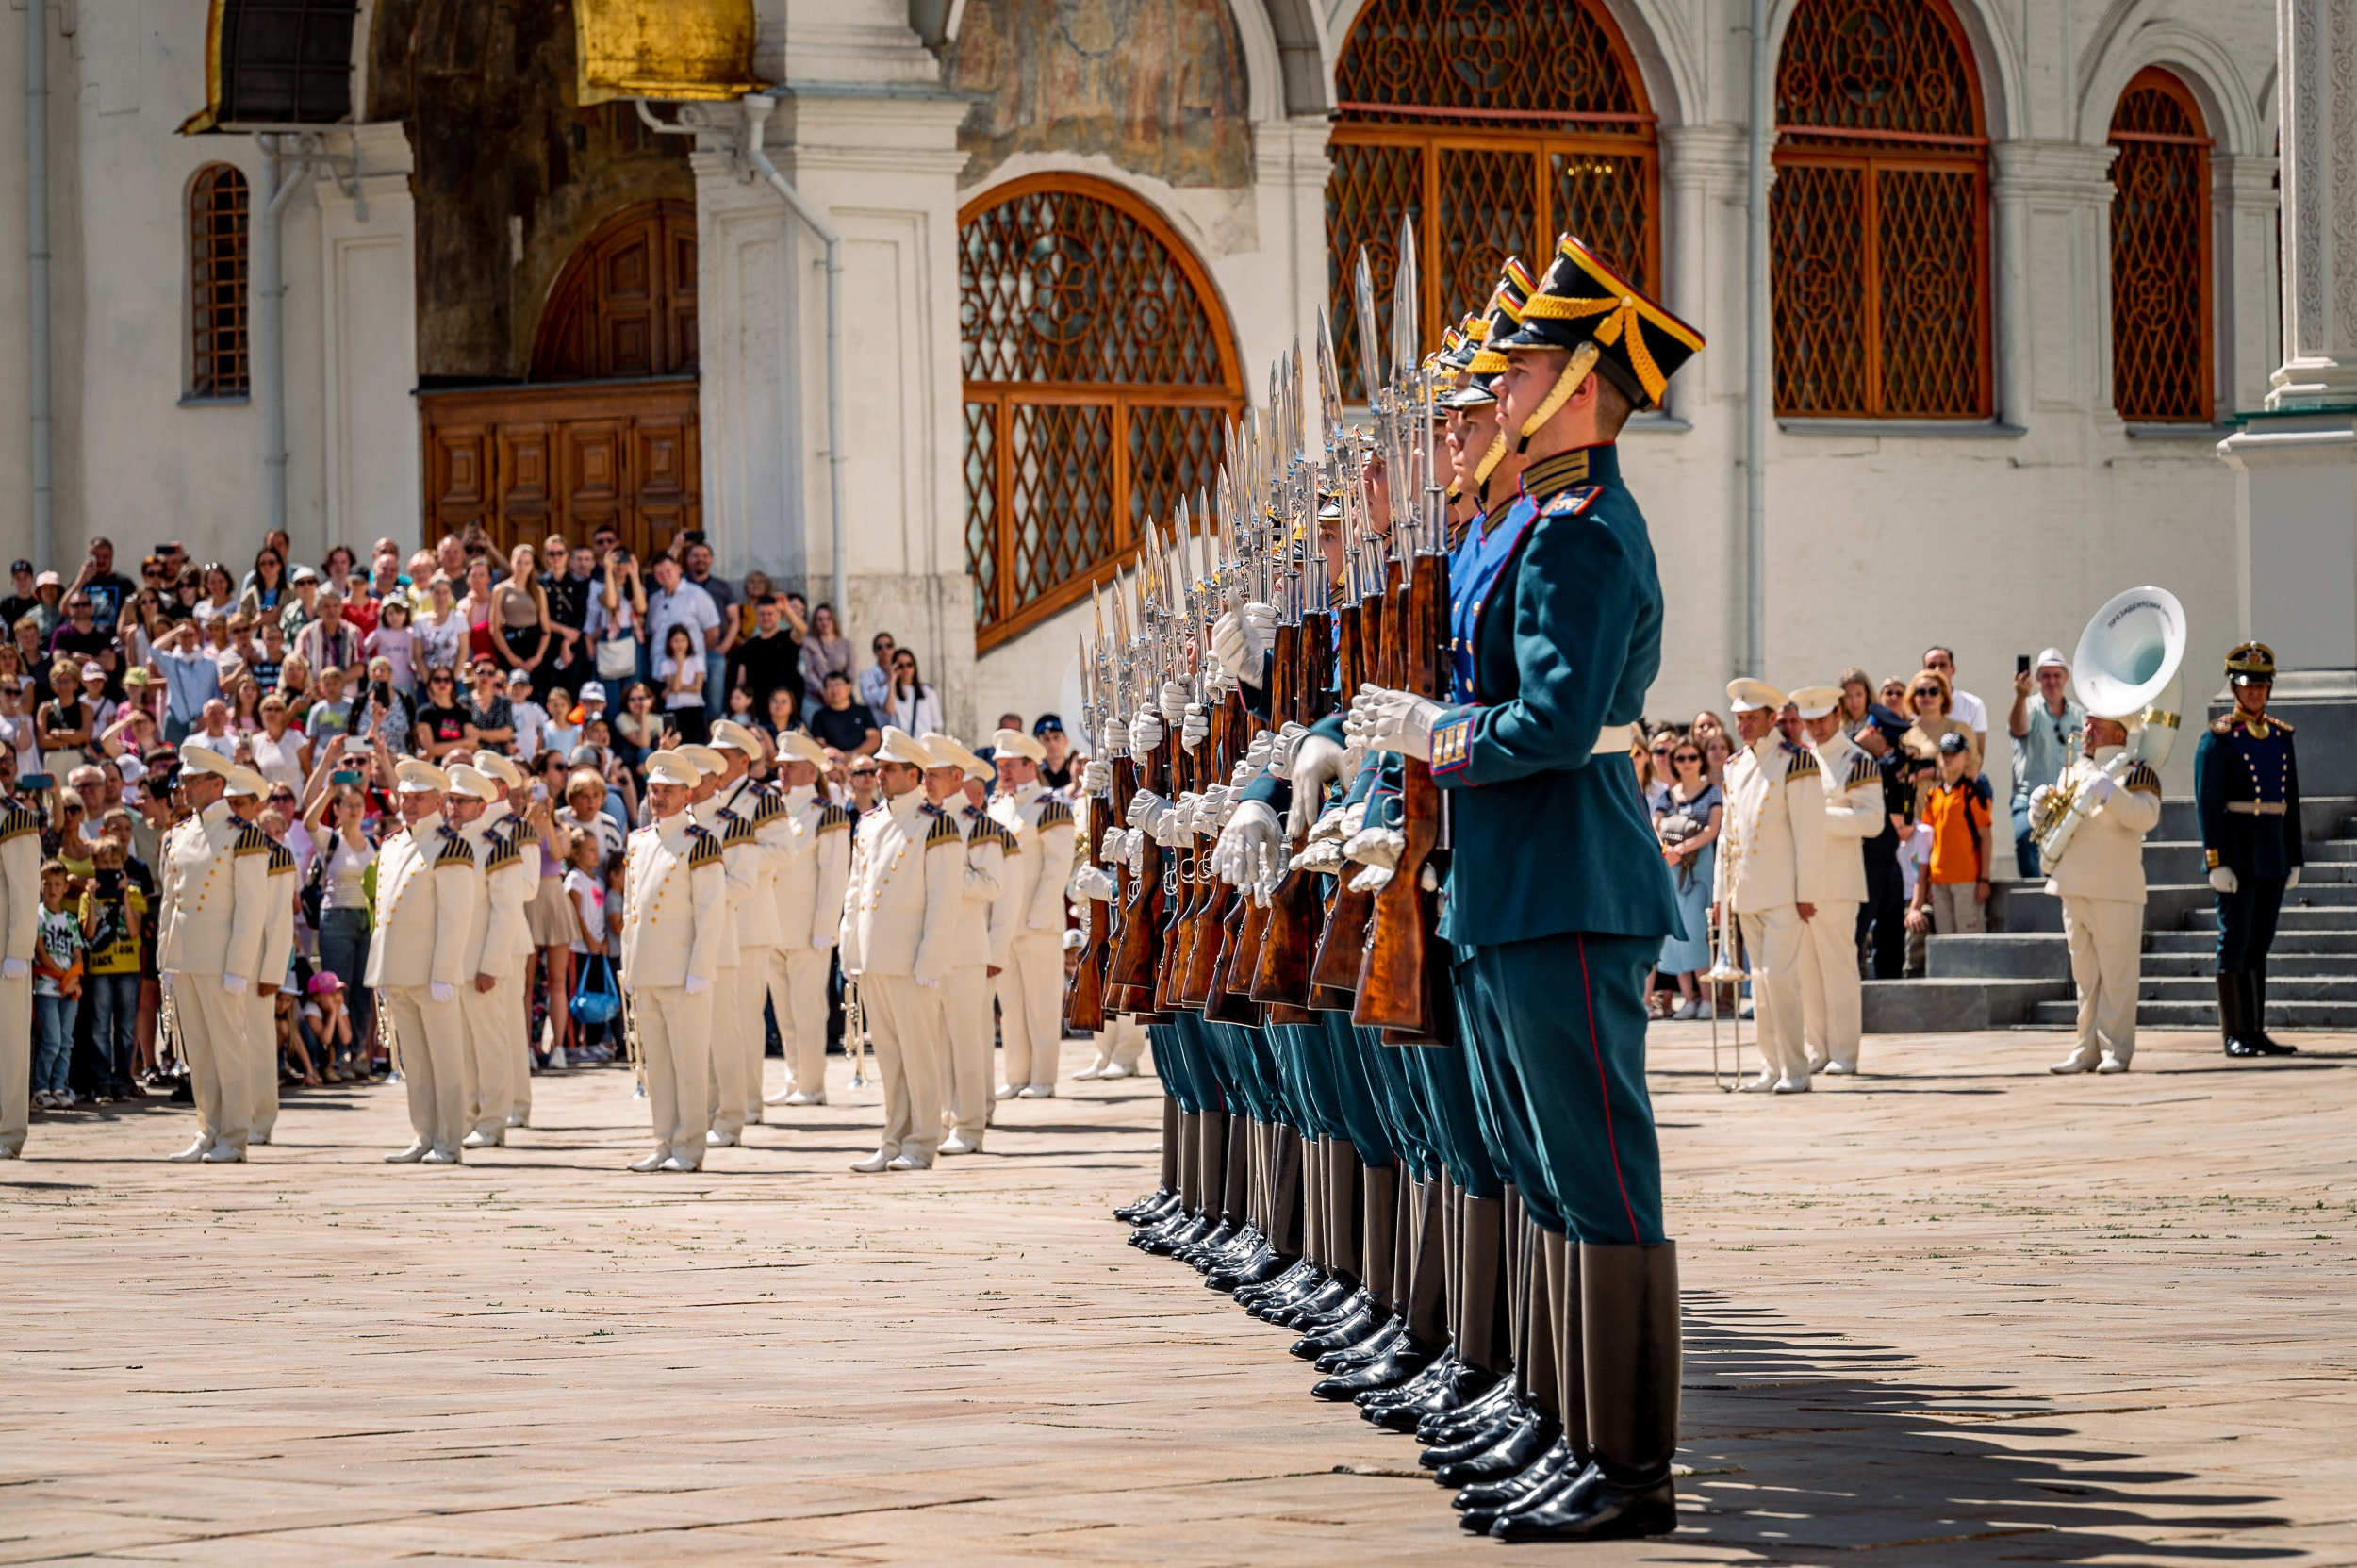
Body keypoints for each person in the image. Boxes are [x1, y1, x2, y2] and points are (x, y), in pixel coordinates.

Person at [1341, 236, 1701, 1540]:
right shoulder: (1546, 525)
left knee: (1596, 1172)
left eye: (1524, 368)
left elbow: (1551, 724)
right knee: (1542, 1169)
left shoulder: (1584, 535)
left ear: (1587, 384)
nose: (1499, 394)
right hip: (1513, 879)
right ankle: (1560, 1419)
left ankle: (1629, 1463)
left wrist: (1431, 734)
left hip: (1568, 875)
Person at [839, 727, 960, 1173]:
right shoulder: (870, 824)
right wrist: (849, 949)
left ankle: (923, 1141)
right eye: (878, 768)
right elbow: (855, 893)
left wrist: (930, 960)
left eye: (888, 769)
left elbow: (942, 900)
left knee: (919, 1054)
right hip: (874, 957)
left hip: (911, 961)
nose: (880, 775)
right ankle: (892, 1139)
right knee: (889, 1056)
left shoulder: (935, 823)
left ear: (914, 774)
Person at [156, 746, 272, 1163]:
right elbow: (172, 899)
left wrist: (239, 966)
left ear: (216, 785)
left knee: (228, 1048)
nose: (184, 787)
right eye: (184, 780)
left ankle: (235, 1135)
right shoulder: (182, 832)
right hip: (187, 955)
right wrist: (165, 958)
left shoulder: (243, 834)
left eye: (192, 780)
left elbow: (251, 907)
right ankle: (208, 1128)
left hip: (221, 957)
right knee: (199, 1051)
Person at [1713, 679, 1825, 1094]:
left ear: (1770, 718)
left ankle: (1796, 1069)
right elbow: (1728, 837)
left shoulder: (1796, 761)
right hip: (1746, 891)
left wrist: (1806, 892)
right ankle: (1771, 1066)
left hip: (1783, 892)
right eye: (1738, 719)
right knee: (1758, 985)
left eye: (1749, 718)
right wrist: (1720, 897)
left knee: (1779, 978)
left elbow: (1810, 833)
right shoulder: (1735, 765)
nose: (1741, 726)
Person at [2034, 715, 2163, 1073]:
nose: (2086, 730)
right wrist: (2039, 809)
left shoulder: (2136, 771)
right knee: (2085, 976)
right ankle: (2085, 1048)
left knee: (2117, 975)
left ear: (2119, 732)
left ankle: (2116, 1050)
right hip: (2072, 883)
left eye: (2096, 725)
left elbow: (2145, 817)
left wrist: (2110, 792)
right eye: (2086, 723)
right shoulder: (2072, 772)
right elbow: (2054, 827)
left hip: (2115, 888)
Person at [367, 757, 480, 1164]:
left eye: (418, 797)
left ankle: (449, 1140)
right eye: (404, 795)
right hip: (399, 969)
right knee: (413, 1059)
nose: (408, 803)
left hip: (433, 973)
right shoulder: (395, 843)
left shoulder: (450, 845)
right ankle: (425, 1133)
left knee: (445, 1060)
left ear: (438, 800)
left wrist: (444, 973)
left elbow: (455, 916)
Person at [619, 749, 727, 1172]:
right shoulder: (641, 840)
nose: (658, 797)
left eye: (667, 791)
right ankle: (664, 1140)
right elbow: (633, 911)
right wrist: (630, 964)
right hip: (648, 969)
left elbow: (710, 910)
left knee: (688, 1064)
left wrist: (701, 969)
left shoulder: (699, 842)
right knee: (657, 1066)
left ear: (687, 795)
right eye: (654, 790)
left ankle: (689, 1146)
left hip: (683, 973)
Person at [2196, 642, 2304, 1059]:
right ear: (2234, 688)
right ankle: (2234, 1033)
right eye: (2247, 685)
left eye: (2261, 685)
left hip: (2272, 854)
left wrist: (2294, 855)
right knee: (2235, 940)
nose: (2255, 692)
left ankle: (2255, 1031)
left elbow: (2290, 800)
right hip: (2238, 855)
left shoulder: (2281, 736)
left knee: (2260, 942)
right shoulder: (2219, 739)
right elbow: (2208, 804)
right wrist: (2215, 860)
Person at [695, 725, 792, 1144]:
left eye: (723, 753)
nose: (716, 760)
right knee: (721, 1018)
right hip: (713, 919)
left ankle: (749, 1101)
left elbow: (784, 850)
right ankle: (723, 1100)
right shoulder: (699, 804)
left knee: (746, 1016)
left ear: (740, 758)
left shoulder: (762, 797)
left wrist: (739, 859)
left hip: (750, 917)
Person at [917, 734, 1004, 1154]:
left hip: (966, 949)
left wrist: (945, 872)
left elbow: (990, 885)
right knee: (931, 1043)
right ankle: (938, 1120)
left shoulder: (978, 824)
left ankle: (969, 1127)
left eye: (933, 775)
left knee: (967, 1041)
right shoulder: (918, 820)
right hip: (927, 947)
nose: (926, 782)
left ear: (956, 777)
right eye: (924, 775)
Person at [763, 730, 853, 1108]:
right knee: (784, 1009)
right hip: (773, 926)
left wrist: (824, 927)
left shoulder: (826, 813)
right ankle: (793, 1077)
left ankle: (812, 1084)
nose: (781, 772)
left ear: (808, 770)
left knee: (807, 1008)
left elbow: (833, 876)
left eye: (790, 766)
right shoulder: (772, 809)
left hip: (806, 930)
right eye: (780, 766)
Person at [984, 727, 1077, 1096]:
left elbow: (1057, 867)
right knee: (1011, 1004)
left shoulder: (1050, 806)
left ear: (1029, 765)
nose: (1002, 772)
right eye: (999, 766)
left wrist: (1038, 916)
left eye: (1009, 765)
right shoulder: (997, 806)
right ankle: (1017, 1075)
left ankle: (1043, 1077)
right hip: (1004, 922)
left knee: (1041, 1002)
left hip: (1038, 922)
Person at [1795, 686, 1879, 1076]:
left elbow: (1871, 820)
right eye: (1809, 721)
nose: (1815, 727)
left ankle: (1844, 1051)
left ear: (1838, 717)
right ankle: (1818, 1048)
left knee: (1839, 968)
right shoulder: (1800, 761)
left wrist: (1819, 816)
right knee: (1807, 972)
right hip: (1802, 882)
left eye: (1822, 719)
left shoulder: (1857, 761)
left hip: (1839, 881)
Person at [444, 763, 526, 1149]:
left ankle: (492, 1122)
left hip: (480, 963)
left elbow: (505, 909)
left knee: (489, 1044)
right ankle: (467, 1117)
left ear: (482, 806)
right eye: (451, 800)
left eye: (462, 801)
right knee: (460, 1048)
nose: (453, 807)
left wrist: (491, 965)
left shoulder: (496, 845)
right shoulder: (445, 843)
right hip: (451, 964)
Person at [304, 776, 377, 1078]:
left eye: (359, 805)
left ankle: (356, 1053)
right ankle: (332, 1060)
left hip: (365, 920)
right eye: (348, 805)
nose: (355, 810)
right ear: (337, 809)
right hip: (336, 919)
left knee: (362, 990)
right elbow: (309, 822)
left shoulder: (374, 843)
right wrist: (329, 790)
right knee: (336, 993)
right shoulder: (330, 839)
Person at [1650, 734, 1721, 1019]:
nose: (1687, 763)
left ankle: (1706, 999)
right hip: (1673, 867)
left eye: (1692, 757)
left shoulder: (1712, 791)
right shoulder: (1668, 796)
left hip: (1699, 867)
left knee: (1696, 931)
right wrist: (1667, 849)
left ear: (1700, 759)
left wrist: (1684, 847)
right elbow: (1655, 824)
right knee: (1676, 934)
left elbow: (1712, 828)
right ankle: (1688, 999)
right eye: (1681, 758)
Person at [1907, 732, 1993, 937]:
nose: (1948, 757)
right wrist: (1926, 880)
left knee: (1969, 938)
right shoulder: (1933, 795)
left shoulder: (1973, 794)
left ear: (1965, 757)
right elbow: (1927, 841)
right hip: (1938, 880)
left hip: (1966, 879)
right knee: (1944, 939)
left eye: (1953, 753)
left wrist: (1984, 879)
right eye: (1944, 753)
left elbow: (1986, 838)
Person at [2009, 649, 2085, 879]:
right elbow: (2018, 728)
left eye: (2057, 675)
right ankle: (2033, 892)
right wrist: (2020, 696)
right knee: (2024, 835)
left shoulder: (2080, 715)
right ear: (2037, 679)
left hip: (2068, 800)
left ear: (2066, 678)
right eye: (2046, 675)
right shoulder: (2028, 707)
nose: (2052, 681)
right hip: (2029, 796)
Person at [1853, 704, 1915, 981]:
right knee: (1857, 928)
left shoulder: (1885, 766)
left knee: (1891, 932)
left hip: (1888, 856)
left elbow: (1903, 813)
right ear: (1874, 732)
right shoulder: (1852, 758)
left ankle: (1889, 985)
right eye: (1886, 741)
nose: (1889, 749)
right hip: (1862, 857)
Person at [726, 593, 803, 719]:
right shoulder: (748, 647)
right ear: (756, 616)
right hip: (758, 713)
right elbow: (741, 682)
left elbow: (802, 630)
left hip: (786, 713)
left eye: (770, 613)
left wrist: (787, 609)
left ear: (778, 615)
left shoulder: (788, 638)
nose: (766, 617)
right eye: (762, 614)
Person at [1921, 646, 1987, 752]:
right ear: (1924, 671)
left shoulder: (1974, 705)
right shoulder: (1914, 705)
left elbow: (1978, 753)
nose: (1937, 670)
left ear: (1953, 669)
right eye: (1932, 666)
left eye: (1943, 665)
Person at [656, 624, 708, 745]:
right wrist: (680, 664)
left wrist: (671, 690)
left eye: (683, 640)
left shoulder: (697, 660)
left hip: (694, 707)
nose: (679, 645)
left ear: (688, 641)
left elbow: (697, 687)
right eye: (676, 641)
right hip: (675, 709)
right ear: (669, 643)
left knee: (696, 745)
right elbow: (675, 687)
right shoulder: (665, 663)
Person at [808, 670, 880, 756]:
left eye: (838, 685)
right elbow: (819, 744)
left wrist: (852, 755)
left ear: (849, 687)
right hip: (833, 764)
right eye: (830, 686)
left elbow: (874, 739)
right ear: (824, 691)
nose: (834, 690)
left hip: (862, 762)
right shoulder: (819, 716)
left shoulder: (863, 711)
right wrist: (839, 757)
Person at [412, 667, 476, 761]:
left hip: (462, 766)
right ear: (430, 684)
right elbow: (431, 749)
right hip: (435, 768)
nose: (442, 683)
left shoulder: (464, 711)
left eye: (447, 679)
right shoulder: (424, 713)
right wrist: (463, 743)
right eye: (437, 679)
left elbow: (472, 745)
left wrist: (439, 748)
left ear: (453, 684)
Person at [799, 602, 853, 705]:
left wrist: (841, 690)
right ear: (815, 622)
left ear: (834, 620)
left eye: (828, 618)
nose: (825, 622)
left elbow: (851, 672)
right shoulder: (808, 643)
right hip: (815, 697)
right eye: (820, 619)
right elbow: (807, 672)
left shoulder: (847, 645)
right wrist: (823, 690)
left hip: (841, 696)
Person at [884, 648, 943, 735]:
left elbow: (935, 724)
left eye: (909, 664)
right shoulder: (891, 691)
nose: (905, 669)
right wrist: (892, 680)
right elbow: (889, 710)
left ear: (914, 667)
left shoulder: (928, 691)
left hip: (922, 746)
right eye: (900, 666)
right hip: (900, 746)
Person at [857, 632, 898, 713]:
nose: (884, 650)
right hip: (877, 722)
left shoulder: (901, 671)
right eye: (879, 647)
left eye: (888, 646)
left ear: (894, 649)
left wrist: (878, 689)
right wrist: (888, 680)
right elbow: (869, 699)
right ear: (874, 651)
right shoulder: (866, 674)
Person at [1033, 714, 1075, 792]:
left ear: (1066, 740)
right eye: (1046, 739)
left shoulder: (1076, 769)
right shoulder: (1034, 772)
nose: (1052, 744)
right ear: (1039, 743)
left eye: (1056, 738)